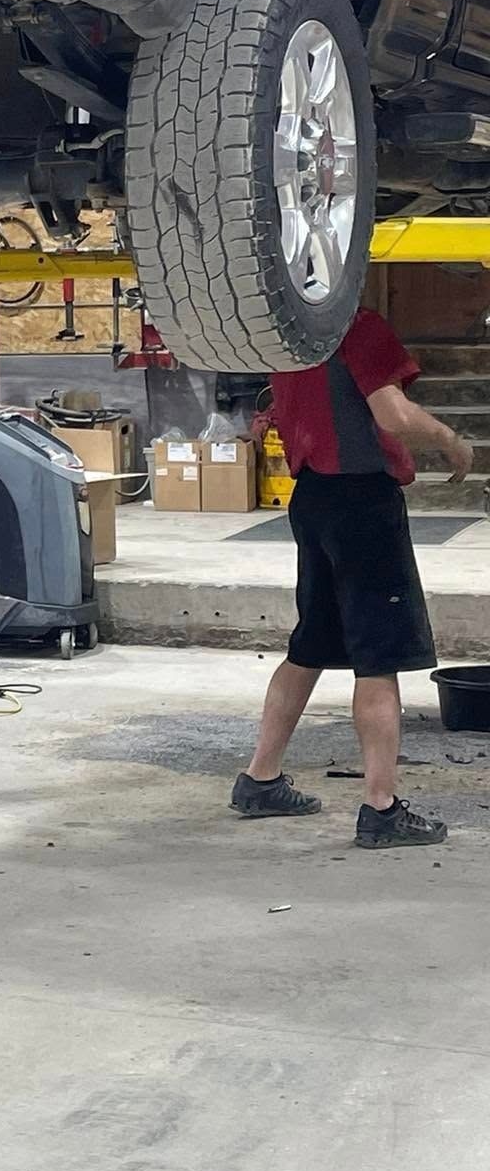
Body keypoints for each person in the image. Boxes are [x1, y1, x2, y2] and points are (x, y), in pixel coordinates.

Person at [229, 308, 472, 848]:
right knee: (379, 655)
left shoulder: (286, 329)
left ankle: (260, 780)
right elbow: (393, 415)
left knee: (312, 642)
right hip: (361, 499)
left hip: (312, 496)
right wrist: (450, 438)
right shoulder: (356, 327)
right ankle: (382, 810)